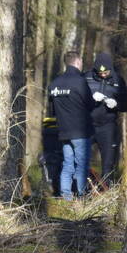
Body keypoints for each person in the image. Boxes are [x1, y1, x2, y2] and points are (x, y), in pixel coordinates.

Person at [47, 51, 94, 200]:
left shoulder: (54, 84)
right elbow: (90, 104)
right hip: (79, 131)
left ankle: (66, 196)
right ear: (78, 62)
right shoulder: (80, 82)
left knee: (67, 164)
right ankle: (82, 196)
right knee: (81, 165)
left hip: (63, 132)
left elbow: (52, 110)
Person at [84, 51, 127, 188]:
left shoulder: (118, 81)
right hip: (88, 125)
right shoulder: (86, 77)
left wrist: (116, 104)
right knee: (80, 158)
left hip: (107, 126)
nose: (103, 74)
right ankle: (82, 189)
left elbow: (125, 105)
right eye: (100, 72)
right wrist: (89, 98)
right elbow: (77, 99)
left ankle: (105, 191)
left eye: (106, 72)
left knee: (108, 162)